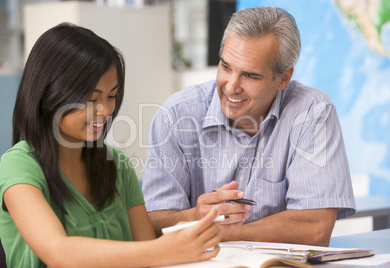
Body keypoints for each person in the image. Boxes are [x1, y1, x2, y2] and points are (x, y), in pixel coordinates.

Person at [0, 23, 221, 268]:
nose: (106, 110)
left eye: (111, 96)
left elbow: (146, 252)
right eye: (91, 99)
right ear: (49, 95)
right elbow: (58, 253)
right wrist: (164, 248)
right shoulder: (19, 166)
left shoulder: (118, 166)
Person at [142, 6, 356, 247]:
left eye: (250, 76)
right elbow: (151, 224)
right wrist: (194, 216)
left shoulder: (312, 111)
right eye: (225, 67)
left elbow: (314, 228)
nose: (231, 86)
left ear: (283, 78)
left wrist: (210, 233)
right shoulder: (176, 115)